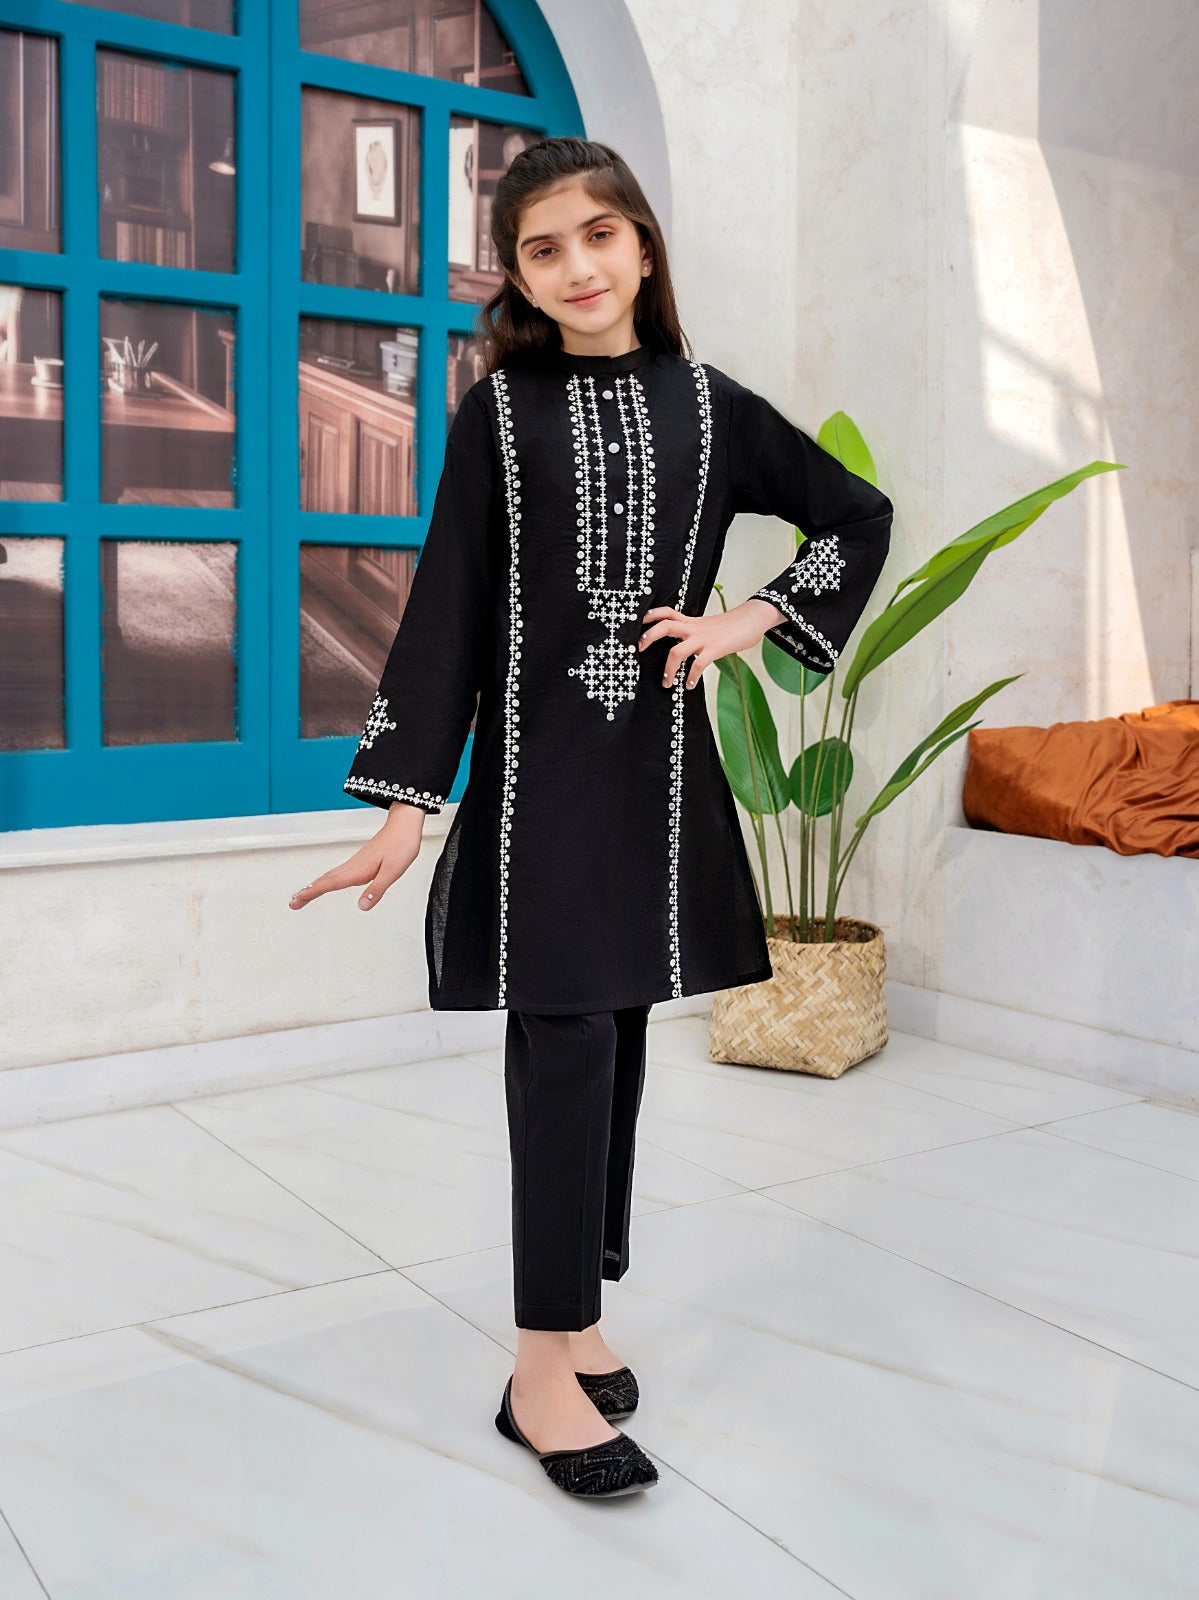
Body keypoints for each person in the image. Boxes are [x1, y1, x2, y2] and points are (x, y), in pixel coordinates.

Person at [288, 136, 893, 1499]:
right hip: (539, 785)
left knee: (613, 1039)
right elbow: (447, 605)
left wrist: (748, 619)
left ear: (643, 243)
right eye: (542, 250)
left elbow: (855, 517)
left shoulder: (711, 408)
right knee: (563, 1046)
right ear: (516, 276)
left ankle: (579, 1322)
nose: (577, 268)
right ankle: (537, 1372)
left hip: (656, 784)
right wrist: (405, 803)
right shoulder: (498, 416)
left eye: (598, 236)